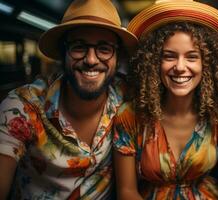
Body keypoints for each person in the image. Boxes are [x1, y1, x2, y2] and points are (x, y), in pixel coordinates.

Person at [112, 0, 218, 199]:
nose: (180, 66)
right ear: (153, 62)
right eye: (169, 56)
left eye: (192, 57)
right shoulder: (130, 115)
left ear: (207, 63)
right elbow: (126, 192)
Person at [0, 0, 137, 199]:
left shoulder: (127, 97)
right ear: (63, 53)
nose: (91, 60)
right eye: (79, 47)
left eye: (104, 49)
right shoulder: (22, 108)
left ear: (118, 57)